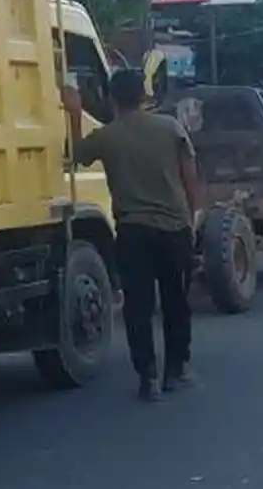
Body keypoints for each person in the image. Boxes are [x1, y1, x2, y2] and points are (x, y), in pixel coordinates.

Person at [62, 69, 202, 402]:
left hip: (131, 232)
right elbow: (190, 178)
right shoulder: (171, 128)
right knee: (176, 302)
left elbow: (77, 156)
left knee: (138, 307)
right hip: (174, 229)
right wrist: (192, 219)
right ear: (144, 95)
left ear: (112, 99)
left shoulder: (108, 136)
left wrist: (74, 112)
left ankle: (148, 378)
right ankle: (177, 371)